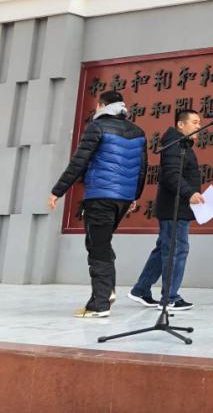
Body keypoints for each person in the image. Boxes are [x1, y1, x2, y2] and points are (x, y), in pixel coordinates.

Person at [49, 91, 147, 318]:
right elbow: (143, 168)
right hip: (123, 198)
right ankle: (106, 291)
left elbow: (79, 162)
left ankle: (99, 304)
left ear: (102, 105)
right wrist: (134, 196)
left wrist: (57, 191)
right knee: (100, 242)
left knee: (98, 248)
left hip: (100, 196)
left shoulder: (97, 127)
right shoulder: (138, 132)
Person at [128, 109, 205, 311]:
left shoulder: (182, 145)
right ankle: (170, 297)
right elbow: (171, 175)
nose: (199, 126)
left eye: (199, 123)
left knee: (164, 249)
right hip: (174, 208)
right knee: (176, 250)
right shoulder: (175, 145)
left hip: (178, 207)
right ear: (181, 124)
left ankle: (141, 290)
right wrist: (189, 193)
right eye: (195, 122)